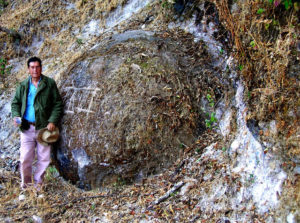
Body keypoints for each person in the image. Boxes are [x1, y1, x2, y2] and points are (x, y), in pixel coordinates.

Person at [11, 56, 63, 190]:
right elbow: (15, 103)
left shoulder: (49, 83)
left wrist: (52, 120)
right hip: (26, 128)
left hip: (43, 129)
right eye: (32, 67)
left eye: (37, 67)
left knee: (44, 159)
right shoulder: (23, 85)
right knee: (25, 159)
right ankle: (26, 187)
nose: (35, 70)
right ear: (28, 69)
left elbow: (57, 103)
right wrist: (16, 115)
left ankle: (39, 187)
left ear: (41, 67)